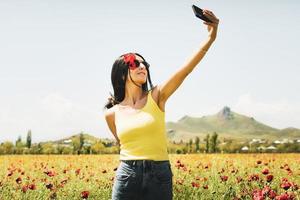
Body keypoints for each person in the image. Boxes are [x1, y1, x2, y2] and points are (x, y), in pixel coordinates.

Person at [104, 9, 219, 200]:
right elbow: (121, 143)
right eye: (134, 63)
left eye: (144, 64)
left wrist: (211, 36)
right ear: (122, 72)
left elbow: (186, 68)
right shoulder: (112, 114)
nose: (142, 66)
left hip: (159, 175)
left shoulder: (157, 96)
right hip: (127, 175)